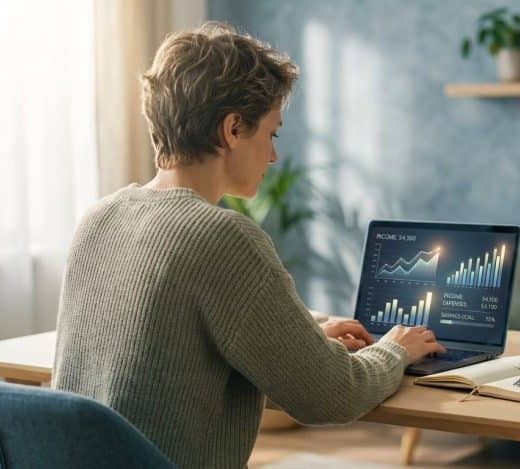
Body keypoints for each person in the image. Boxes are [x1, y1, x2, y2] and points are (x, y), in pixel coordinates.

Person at [52, 22, 445, 468]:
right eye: (271, 134)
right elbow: (333, 396)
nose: (274, 156)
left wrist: (303, 341)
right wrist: (396, 347)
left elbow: (164, 352)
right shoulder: (221, 235)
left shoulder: (98, 218)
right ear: (233, 129)